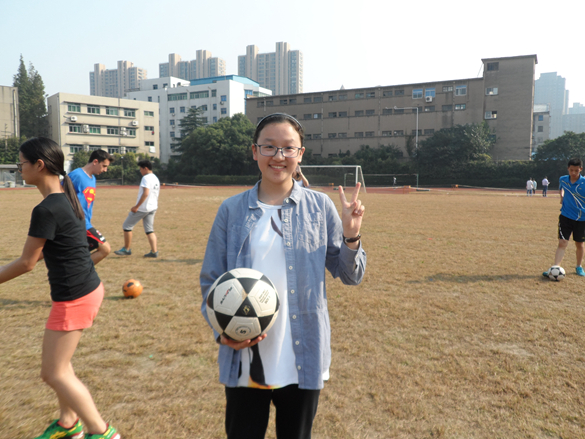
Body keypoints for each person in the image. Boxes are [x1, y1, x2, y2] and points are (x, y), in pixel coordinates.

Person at [200, 113, 366, 439]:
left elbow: (350, 275)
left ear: (300, 154)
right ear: (254, 152)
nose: (279, 157)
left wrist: (351, 236)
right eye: (269, 147)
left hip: (301, 357)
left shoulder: (319, 207)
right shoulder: (231, 210)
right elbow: (211, 281)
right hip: (245, 358)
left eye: (288, 148)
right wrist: (223, 334)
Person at [0, 137, 120, 439]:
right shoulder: (66, 198)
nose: (18, 169)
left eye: (21, 163)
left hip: (75, 297)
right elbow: (46, 251)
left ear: (39, 165)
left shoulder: (48, 208)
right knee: (61, 367)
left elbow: (27, 262)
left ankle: (101, 431)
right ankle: (69, 422)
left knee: (52, 372)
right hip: (83, 291)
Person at [68, 150, 114, 265]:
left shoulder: (92, 179)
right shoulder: (76, 175)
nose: (105, 170)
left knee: (75, 256)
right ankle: (81, 273)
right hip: (77, 223)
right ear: (95, 161)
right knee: (105, 249)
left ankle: (76, 273)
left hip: (85, 223)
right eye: (104, 166)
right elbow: (59, 194)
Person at [543, 158, 585, 278]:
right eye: (571, 170)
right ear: (568, 168)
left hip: (582, 219)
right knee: (562, 242)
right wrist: (562, 197)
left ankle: (579, 267)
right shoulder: (563, 179)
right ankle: (555, 268)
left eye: (576, 171)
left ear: (580, 169)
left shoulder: (584, 183)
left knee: (580, 244)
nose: (573, 173)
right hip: (565, 216)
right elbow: (561, 188)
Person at [114, 159, 160, 258]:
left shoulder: (146, 178)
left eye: (140, 169)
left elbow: (146, 193)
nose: (140, 171)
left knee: (127, 226)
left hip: (143, 208)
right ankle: (154, 251)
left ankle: (126, 249)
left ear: (145, 168)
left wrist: (136, 207)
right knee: (149, 230)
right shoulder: (155, 178)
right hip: (153, 207)